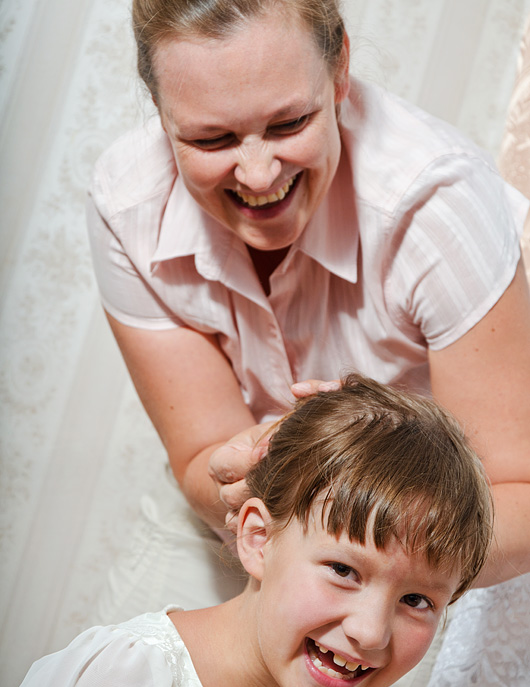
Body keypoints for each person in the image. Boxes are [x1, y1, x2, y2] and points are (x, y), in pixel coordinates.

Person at [86, 0, 530, 593]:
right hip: (242, 526)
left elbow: (519, 496)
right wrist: (250, 470)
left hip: (444, 539)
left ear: (340, 66)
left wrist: (358, 513)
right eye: (211, 139)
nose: (258, 175)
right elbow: (198, 455)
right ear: (159, 108)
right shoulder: (127, 205)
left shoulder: (435, 204)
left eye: (289, 124)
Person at [0, 375, 493, 687]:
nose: (370, 632)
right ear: (258, 539)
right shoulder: (123, 682)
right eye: (344, 570)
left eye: (416, 600)